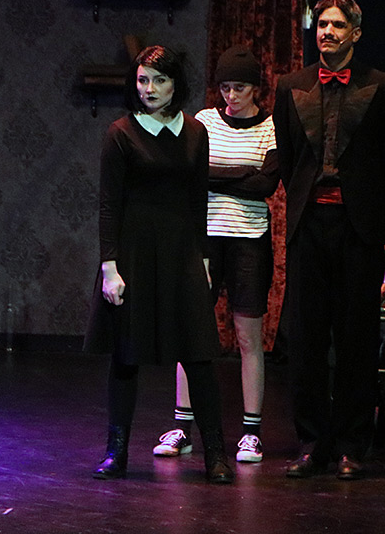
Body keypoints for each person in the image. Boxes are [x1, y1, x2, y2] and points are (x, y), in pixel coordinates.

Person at [84, 45, 233, 484]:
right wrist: (110, 266)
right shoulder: (120, 133)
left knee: (199, 356)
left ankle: (216, 454)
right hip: (134, 254)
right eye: (143, 80)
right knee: (126, 356)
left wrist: (204, 258)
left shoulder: (195, 132)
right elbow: (109, 205)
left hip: (182, 253)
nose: (149, 89)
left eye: (159, 80)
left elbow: (198, 200)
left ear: (175, 84)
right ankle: (116, 452)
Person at [273, 0, 385, 480]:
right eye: (322, 24)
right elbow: (288, 156)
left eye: (337, 25)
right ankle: (311, 442)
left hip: (358, 226)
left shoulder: (383, 87)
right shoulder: (291, 85)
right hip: (309, 223)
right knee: (306, 337)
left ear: (356, 33)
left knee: (356, 337)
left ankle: (352, 444)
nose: (327, 32)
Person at [152, 46, 278, 464]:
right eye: (225, 88)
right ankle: (182, 427)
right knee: (191, 330)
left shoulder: (271, 128)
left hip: (249, 240)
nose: (231, 96)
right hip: (204, 239)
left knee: (247, 336)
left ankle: (251, 432)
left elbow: (265, 185)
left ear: (255, 88)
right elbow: (191, 174)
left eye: (239, 88)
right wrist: (241, 174)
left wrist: (218, 177)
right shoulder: (205, 122)